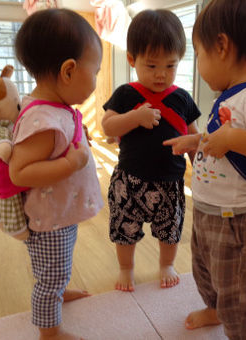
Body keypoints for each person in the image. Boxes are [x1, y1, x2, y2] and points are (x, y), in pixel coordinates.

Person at [163, 0, 246, 339]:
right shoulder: (231, 96)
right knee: (207, 271)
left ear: (222, 46)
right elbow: (220, 140)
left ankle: (241, 331)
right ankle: (214, 308)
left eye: (199, 54)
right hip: (210, 210)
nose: (200, 65)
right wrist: (196, 143)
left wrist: (234, 137)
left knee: (240, 290)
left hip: (238, 221)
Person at [10, 9, 104, 340]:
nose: (95, 80)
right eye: (95, 71)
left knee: (59, 266)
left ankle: (60, 292)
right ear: (68, 71)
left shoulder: (57, 110)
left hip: (61, 213)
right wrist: (70, 164)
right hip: (50, 220)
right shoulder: (42, 120)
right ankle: (50, 332)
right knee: (49, 277)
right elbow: (20, 172)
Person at [101, 9, 201, 292]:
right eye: (152, 65)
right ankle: (126, 268)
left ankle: (166, 264)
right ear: (132, 59)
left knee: (170, 229)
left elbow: (193, 137)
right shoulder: (125, 94)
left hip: (170, 180)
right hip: (129, 180)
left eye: (170, 66)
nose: (161, 75)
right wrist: (134, 118)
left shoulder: (182, 98)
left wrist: (201, 168)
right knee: (124, 229)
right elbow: (107, 126)